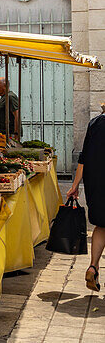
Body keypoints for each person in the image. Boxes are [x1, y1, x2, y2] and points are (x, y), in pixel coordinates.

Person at [68, 102, 105, 292]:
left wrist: (75, 185)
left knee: (101, 225)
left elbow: (83, 157)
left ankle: (93, 267)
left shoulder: (94, 123)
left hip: (96, 184)